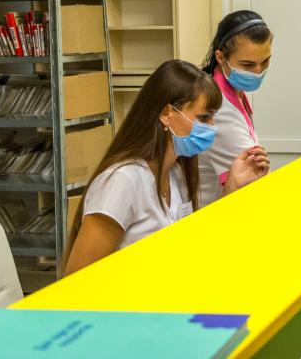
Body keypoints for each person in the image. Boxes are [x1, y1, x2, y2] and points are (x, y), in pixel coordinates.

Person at [63, 60, 269, 275]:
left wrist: (231, 187)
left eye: (212, 118)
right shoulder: (122, 181)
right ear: (166, 114)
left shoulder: (175, 174)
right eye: (204, 117)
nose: (212, 128)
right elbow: (76, 280)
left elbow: (190, 247)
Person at [198, 10, 273, 206]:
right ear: (221, 57)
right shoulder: (219, 109)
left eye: (265, 61)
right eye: (247, 65)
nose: (258, 72)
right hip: (212, 212)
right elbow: (250, 180)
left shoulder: (233, 91)